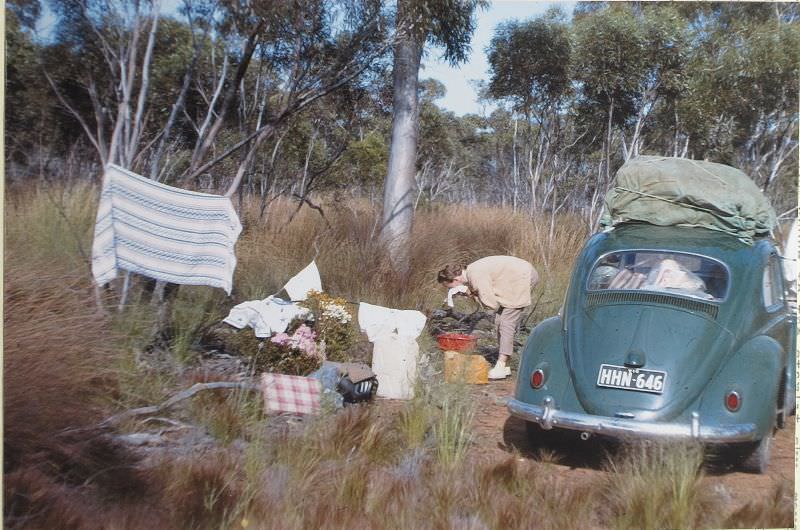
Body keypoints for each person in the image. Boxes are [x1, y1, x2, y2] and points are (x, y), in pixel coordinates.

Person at [437, 256, 539, 380]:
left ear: (456, 279)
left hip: (522, 276)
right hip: (516, 276)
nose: (451, 290)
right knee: (499, 320)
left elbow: (491, 304)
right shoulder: (472, 273)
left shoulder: (475, 275)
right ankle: (504, 363)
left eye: (449, 287)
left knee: (506, 322)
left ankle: (501, 365)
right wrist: (472, 293)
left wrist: (470, 293)